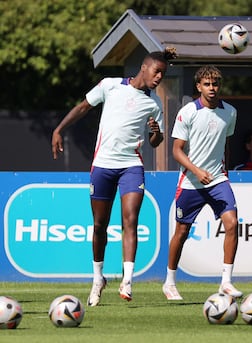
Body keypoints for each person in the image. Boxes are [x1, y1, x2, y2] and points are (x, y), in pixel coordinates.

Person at [51, 47, 178, 306]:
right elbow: (84, 107)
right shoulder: (110, 85)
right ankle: (98, 278)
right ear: (144, 67)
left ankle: (127, 280)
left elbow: (156, 142)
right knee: (99, 225)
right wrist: (59, 129)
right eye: (157, 72)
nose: (158, 78)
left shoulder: (154, 103)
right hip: (102, 165)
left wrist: (155, 132)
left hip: (131, 166)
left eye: (162, 75)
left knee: (130, 220)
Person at [162, 65, 242, 300]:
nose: (212, 88)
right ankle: (169, 282)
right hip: (191, 182)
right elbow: (176, 151)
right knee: (182, 231)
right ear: (198, 87)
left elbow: (225, 143)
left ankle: (226, 282)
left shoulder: (230, 112)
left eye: (215, 84)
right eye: (207, 84)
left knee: (233, 223)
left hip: (217, 179)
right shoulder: (188, 112)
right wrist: (196, 170)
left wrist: (219, 171)